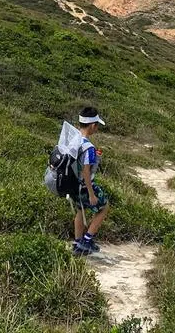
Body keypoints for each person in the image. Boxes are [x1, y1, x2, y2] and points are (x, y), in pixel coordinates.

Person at [73, 107, 109, 256]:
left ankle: (77, 242)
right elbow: (86, 170)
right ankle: (86, 242)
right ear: (92, 125)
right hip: (84, 185)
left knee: (80, 210)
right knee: (104, 208)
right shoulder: (88, 147)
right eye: (97, 125)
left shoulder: (74, 138)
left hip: (73, 184)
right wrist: (91, 193)